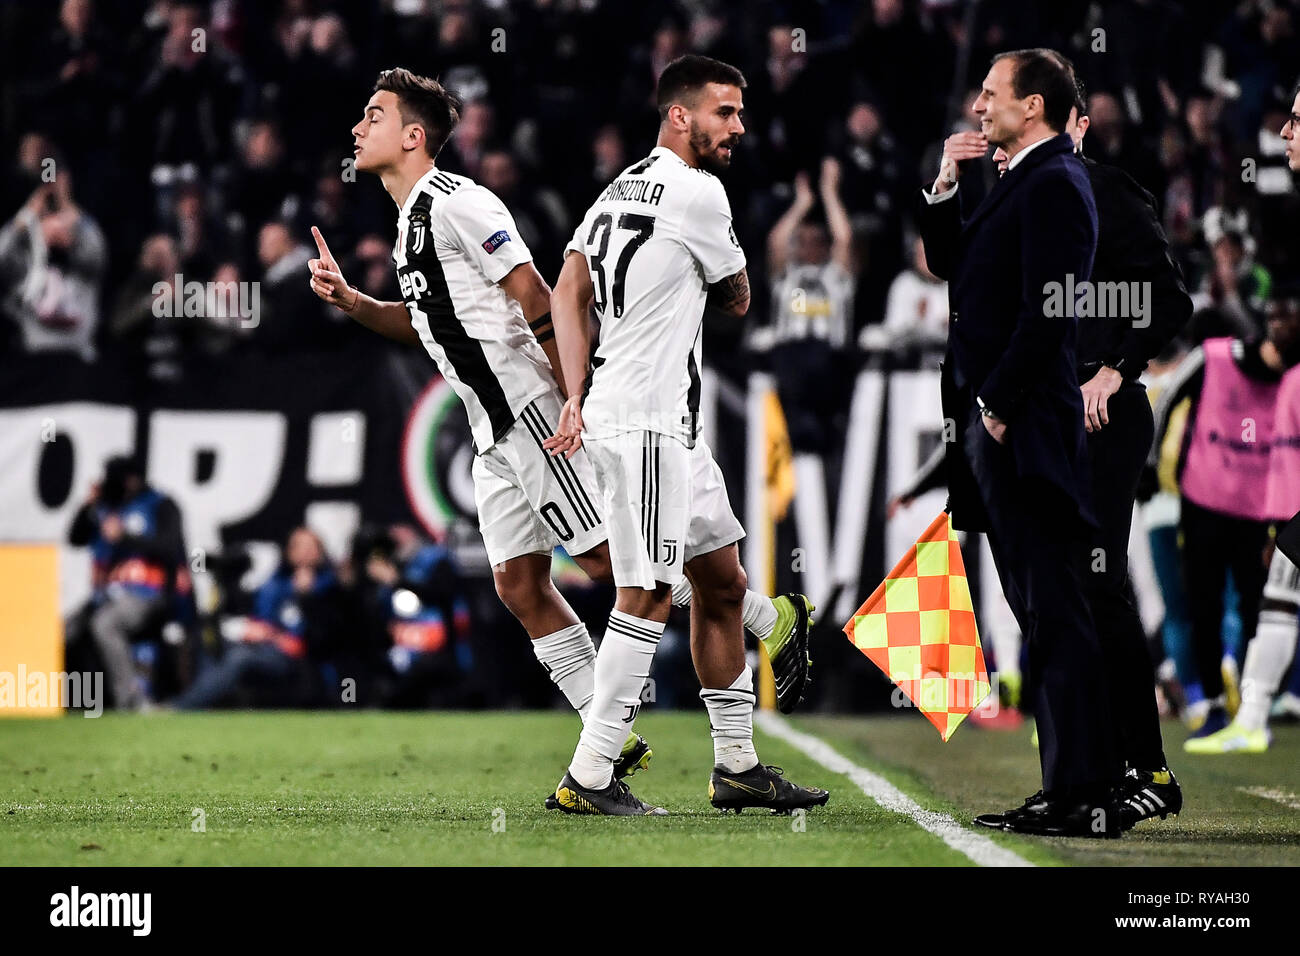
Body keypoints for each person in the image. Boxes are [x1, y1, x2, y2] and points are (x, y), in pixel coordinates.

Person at [305, 68, 814, 790]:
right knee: (519, 585)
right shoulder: (409, 221)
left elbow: (537, 292)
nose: (359, 128)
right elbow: (431, 328)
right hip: (491, 431)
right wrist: (355, 303)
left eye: (374, 114)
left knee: (619, 568)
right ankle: (622, 725)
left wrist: (573, 395)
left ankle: (719, 660)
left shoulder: (460, 202)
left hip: (531, 414)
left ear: (413, 137)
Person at [545, 54, 830, 816]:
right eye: (724, 112)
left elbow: (569, 287)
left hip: (657, 419)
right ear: (680, 115)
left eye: (739, 113)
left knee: (721, 584)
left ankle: (738, 762)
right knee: (645, 594)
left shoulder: (614, 191)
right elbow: (738, 296)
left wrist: (575, 391)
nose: (738, 127)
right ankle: (591, 774)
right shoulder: (700, 192)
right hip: (644, 425)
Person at [917, 49, 1119, 837]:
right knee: (1039, 610)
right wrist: (943, 184)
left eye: (991, 94)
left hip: (1024, 426)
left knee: (1056, 610)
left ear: (1032, 106)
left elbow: (1054, 313)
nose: (978, 107)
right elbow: (955, 266)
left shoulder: (1058, 182)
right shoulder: (1019, 179)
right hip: (1001, 422)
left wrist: (997, 403)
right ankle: (1068, 785)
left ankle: (1085, 794)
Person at [1150, 287, 1300, 749]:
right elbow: (1167, 402)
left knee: (1263, 607)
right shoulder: (1213, 359)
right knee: (1205, 606)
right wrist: (1150, 467)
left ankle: (1257, 707)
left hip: (1262, 509)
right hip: (1205, 499)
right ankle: (1218, 703)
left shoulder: (1292, 379)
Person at [66, 456, 188, 710]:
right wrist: (87, 505)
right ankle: (69, 704)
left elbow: (169, 548)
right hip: (105, 596)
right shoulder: (106, 507)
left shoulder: (160, 505)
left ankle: (130, 701)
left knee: (105, 624)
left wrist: (124, 537)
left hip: (147, 594)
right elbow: (75, 538)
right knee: (65, 630)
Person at [173, 527, 341, 709]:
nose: (304, 552)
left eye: (310, 547)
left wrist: (306, 597)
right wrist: (257, 631)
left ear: (320, 551)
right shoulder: (277, 581)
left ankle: (181, 707)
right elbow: (263, 619)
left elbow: (325, 634)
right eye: (297, 546)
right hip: (269, 647)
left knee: (240, 657)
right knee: (212, 643)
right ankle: (207, 705)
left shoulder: (330, 585)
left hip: (302, 657)